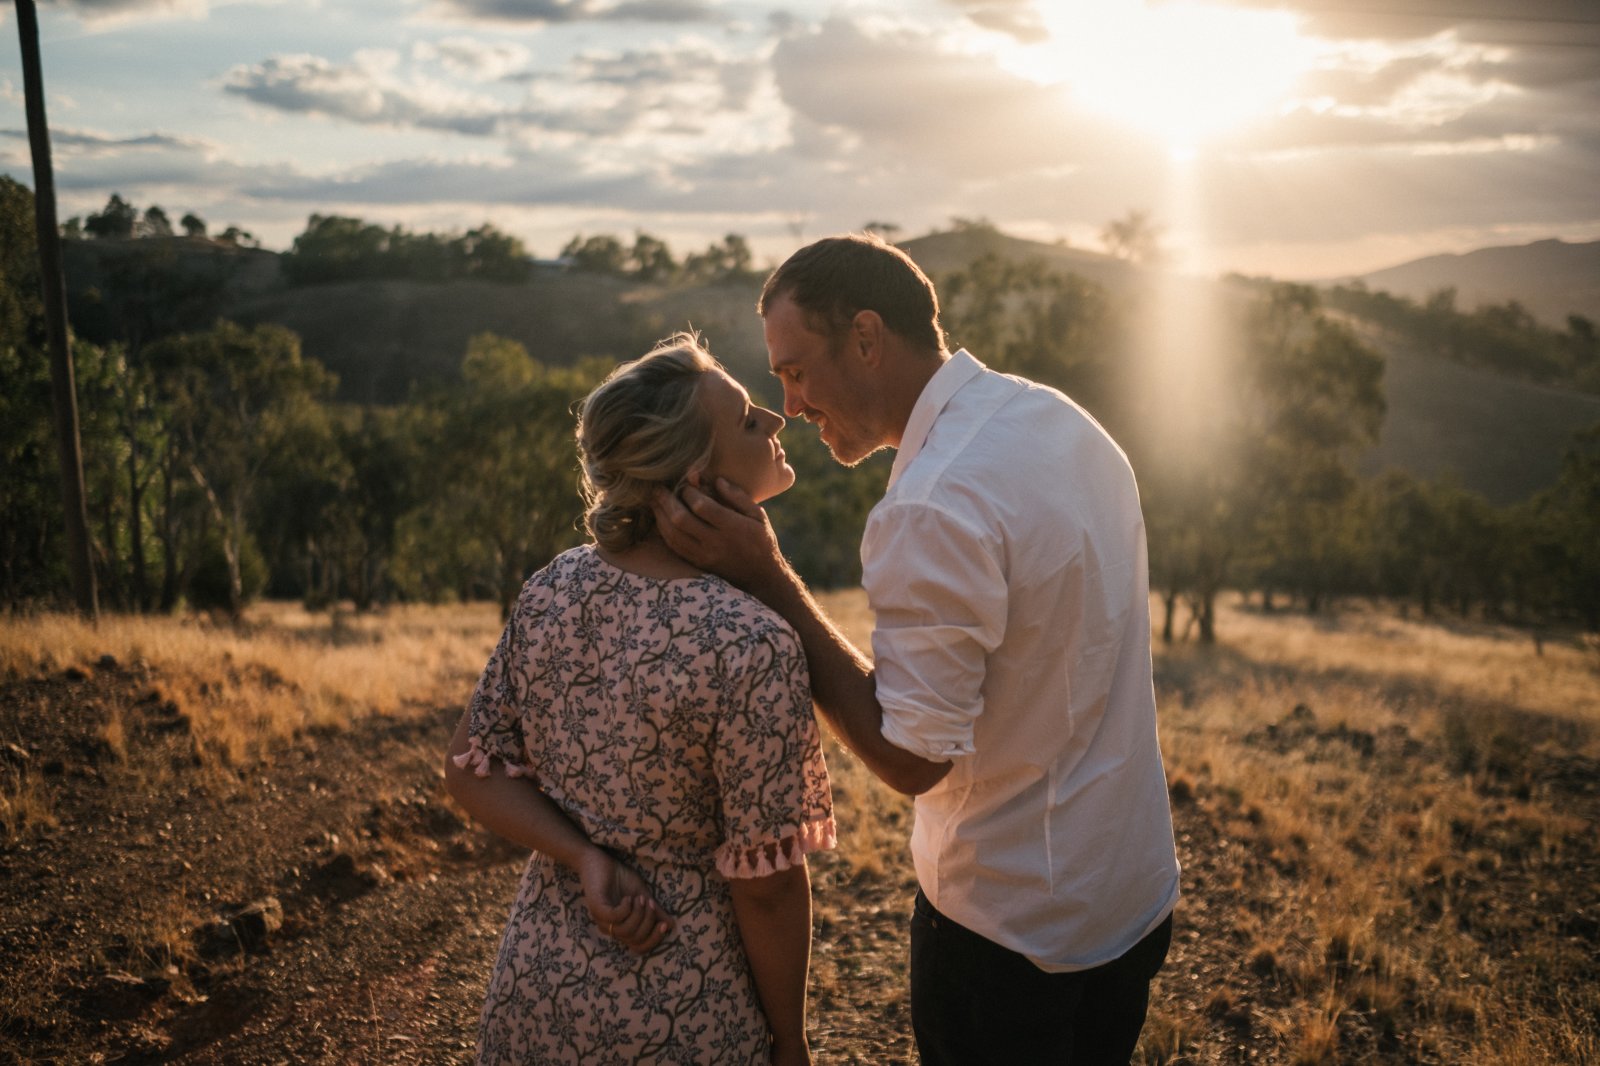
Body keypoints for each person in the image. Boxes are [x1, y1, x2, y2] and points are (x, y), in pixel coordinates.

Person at [655, 234, 1181, 1065]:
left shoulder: (931, 504)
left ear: (866, 338)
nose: (790, 404)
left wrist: (770, 578)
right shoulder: (1061, 420)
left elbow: (911, 758)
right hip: (1133, 891)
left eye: (797, 371)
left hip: (1012, 936)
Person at [445, 332, 835, 1066]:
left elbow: (470, 768)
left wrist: (583, 857)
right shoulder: (750, 643)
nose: (776, 419)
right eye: (747, 419)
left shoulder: (553, 588)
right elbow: (769, 888)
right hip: (686, 1014)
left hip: (537, 998)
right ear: (696, 476)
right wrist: (790, 1040)